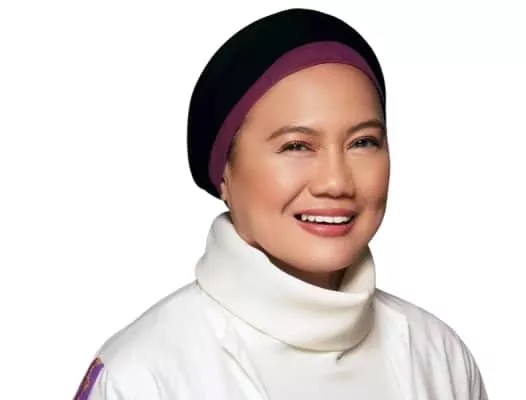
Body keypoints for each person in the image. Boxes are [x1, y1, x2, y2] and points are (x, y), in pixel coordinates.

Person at [73, 8, 488, 400]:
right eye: (296, 146)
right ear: (223, 173)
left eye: (363, 142)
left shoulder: (440, 357)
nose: (336, 182)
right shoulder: (144, 375)